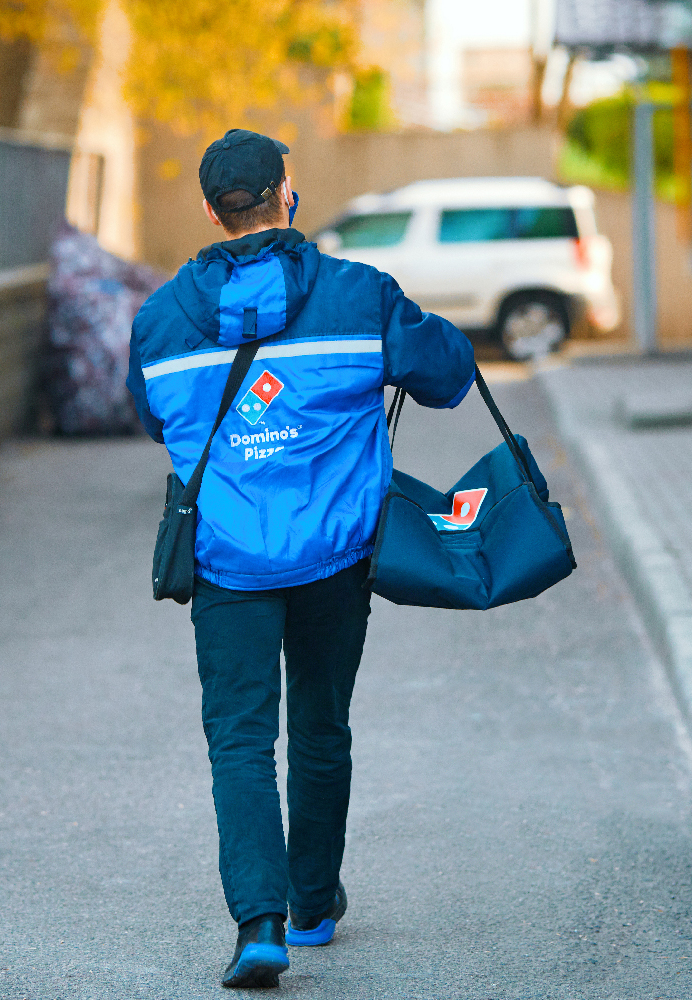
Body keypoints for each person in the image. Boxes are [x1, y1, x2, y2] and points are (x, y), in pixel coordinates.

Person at [125, 129, 473, 989]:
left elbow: (155, 419)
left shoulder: (160, 320)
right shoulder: (359, 295)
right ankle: (314, 903)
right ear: (288, 194)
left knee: (240, 741)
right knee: (320, 726)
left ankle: (261, 925)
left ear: (211, 211)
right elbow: (449, 376)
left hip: (226, 561)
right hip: (334, 557)